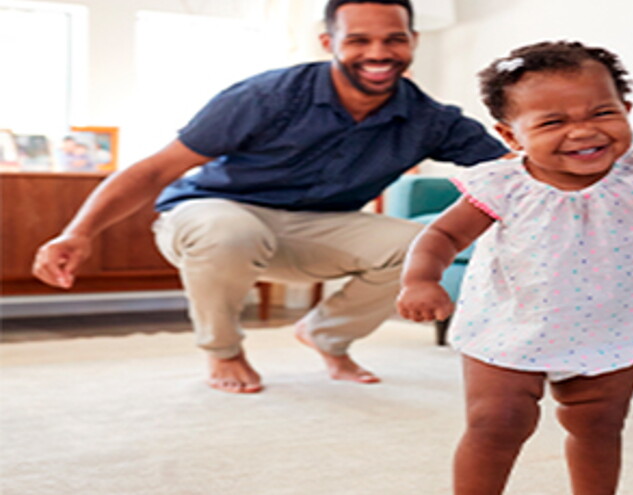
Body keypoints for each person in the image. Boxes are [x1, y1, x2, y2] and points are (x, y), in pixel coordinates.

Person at [31, 0, 508, 394]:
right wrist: (78, 232)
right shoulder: (267, 97)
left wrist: (570, 148)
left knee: (421, 243)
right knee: (230, 232)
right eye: (359, 39)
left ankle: (326, 336)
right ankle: (223, 351)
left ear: (413, 41)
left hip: (316, 228)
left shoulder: (429, 117)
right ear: (330, 43)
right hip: (215, 213)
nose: (378, 52)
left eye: (393, 38)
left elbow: (510, 172)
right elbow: (156, 168)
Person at [397, 40, 633, 494]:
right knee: (497, 424)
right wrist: (421, 279)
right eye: (554, 122)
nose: (582, 132)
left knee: (599, 424)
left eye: (602, 114)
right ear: (512, 136)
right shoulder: (503, 184)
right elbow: (443, 236)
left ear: (627, 109)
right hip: (509, 322)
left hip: (609, 325)